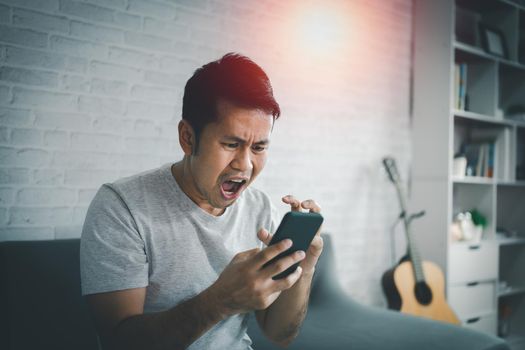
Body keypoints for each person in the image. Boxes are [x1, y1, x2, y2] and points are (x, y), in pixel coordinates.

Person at [80, 53, 323, 350]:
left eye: (258, 147)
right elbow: (119, 342)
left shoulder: (259, 208)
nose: (245, 165)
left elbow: (279, 334)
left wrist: (305, 268)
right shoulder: (122, 207)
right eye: (231, 144)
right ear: (187, 138)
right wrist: (219, 301)